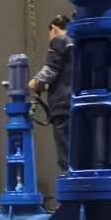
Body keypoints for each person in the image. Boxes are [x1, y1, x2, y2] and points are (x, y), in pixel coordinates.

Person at [29, 14, 74, 174]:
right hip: (75, 102)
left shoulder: (58, 41)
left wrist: (34, 83)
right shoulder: (75, 43)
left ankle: (70, 179)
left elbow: (51, 69)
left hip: (62, 104)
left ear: (53, 29)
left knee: (65, 153)